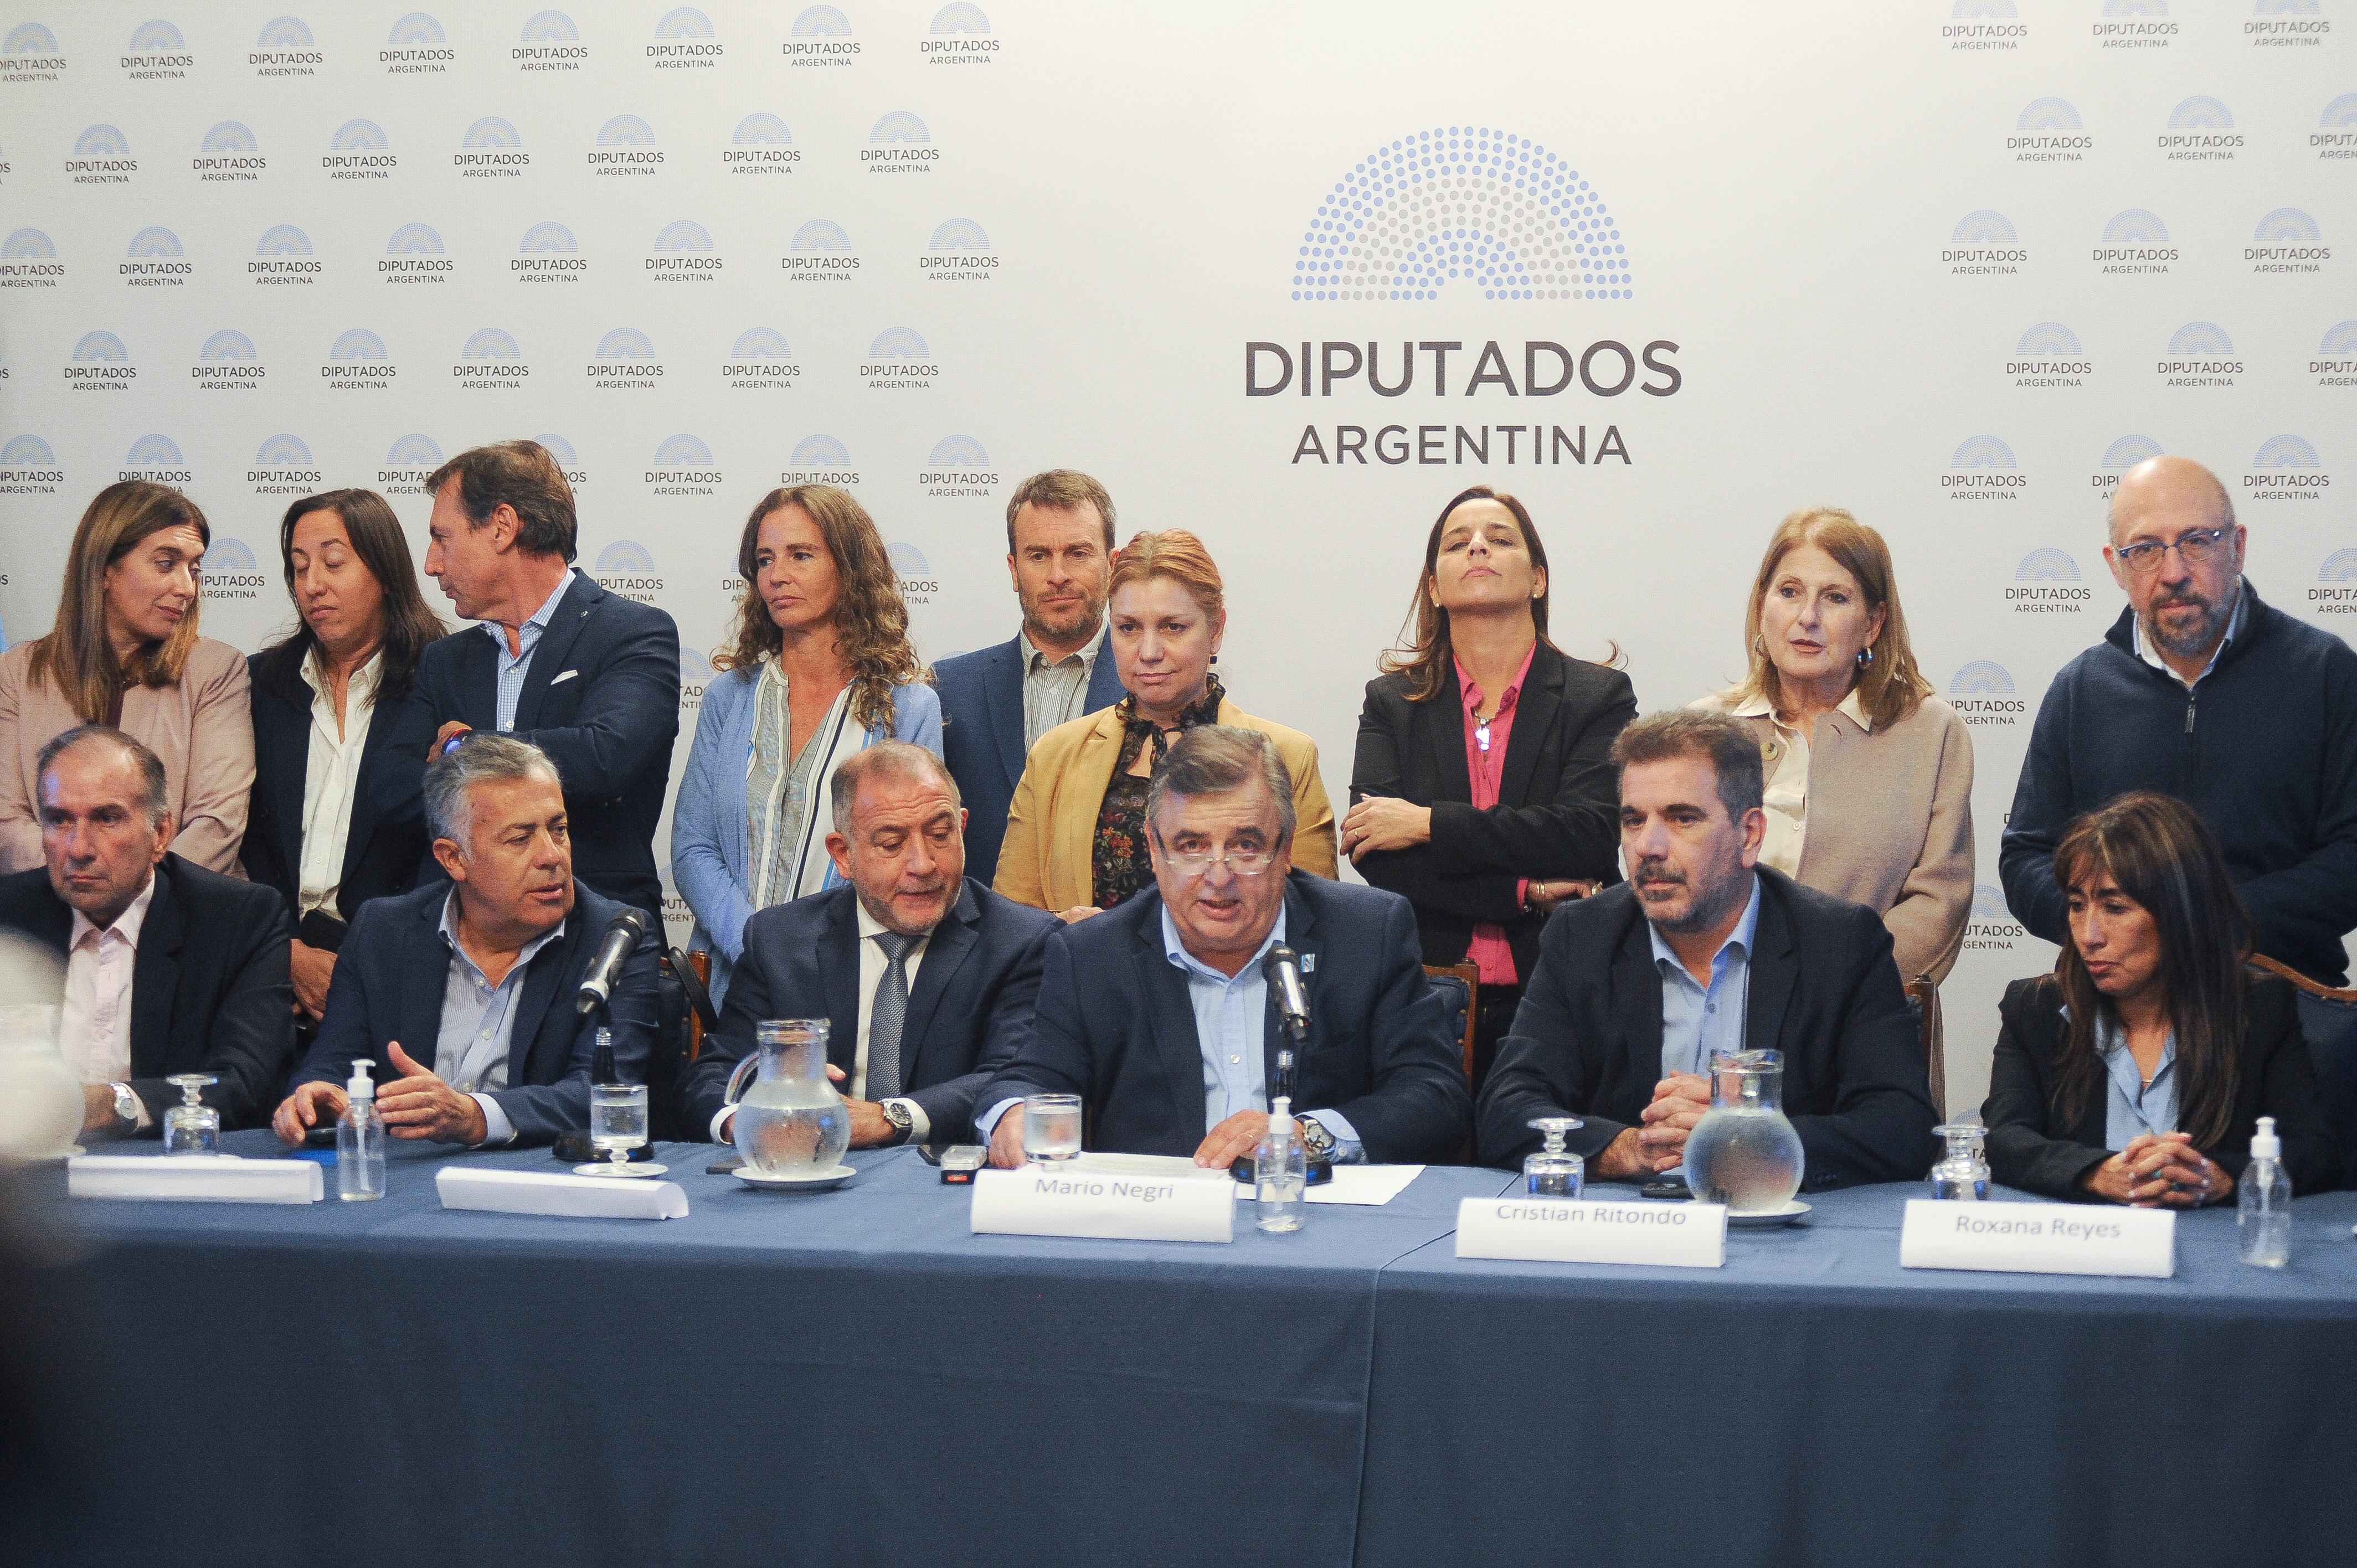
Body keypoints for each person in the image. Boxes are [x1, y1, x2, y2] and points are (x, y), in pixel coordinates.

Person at [1999, 453, 2357, 1177]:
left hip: (2286, 1018)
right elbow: (2025, 857)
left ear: (2238, 547)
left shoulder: (2323, 673)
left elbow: (2353, 854)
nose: (2174, 571)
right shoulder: (2081, 690)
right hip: (2118, 1022)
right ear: (2114, 564)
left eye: (2197, 541)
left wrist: (2202, 921)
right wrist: (2117, 925)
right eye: (2146, 549)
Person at [1477, 710, 1937, 1185]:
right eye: (1634, 821)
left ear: (1750, 835)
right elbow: (1506, 1109)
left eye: (1682, 819)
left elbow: (1902, 1127)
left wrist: (1742, 1138)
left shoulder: (1840, 942)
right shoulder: (1582, 937)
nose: (1649, 847)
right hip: (1627, 1233)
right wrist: (1632, 1149)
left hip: (1780, 1234)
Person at [980, 726, 1468, 1168]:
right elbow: (1030, 1076)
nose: (1218, 876)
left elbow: (1434, 1095)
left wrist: (1304, 1134)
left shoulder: (1366, 933)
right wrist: (1015, 1114)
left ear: (1286, 847)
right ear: (1154, 848)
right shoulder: (1092, 954)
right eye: (1191, 846)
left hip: (1319, 1221)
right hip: (1159, 1238)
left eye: (1246, 846)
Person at [1346, 486, 1636, 1091]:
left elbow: (1584, 835)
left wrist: (1428, 825)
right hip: (1425, 997)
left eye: (1499, 539)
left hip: (1560, 994)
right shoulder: (1390, 702)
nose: (1477, 547)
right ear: (1433, 587)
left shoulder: (1598, 697)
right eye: (1457, 544)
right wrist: (1523, 892)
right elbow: (1377, 855)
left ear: (1536, 579)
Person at [272, 734, 659, 1149]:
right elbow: (334, 1059)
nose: (552, 856)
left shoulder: (615, 938)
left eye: (558, 830)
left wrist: (475, 1117)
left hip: (537, 1187)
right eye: (520, 839)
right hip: (402, 1182)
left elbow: (604, 1092)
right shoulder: (384, 931)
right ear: (454, 858)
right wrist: (318, 1094)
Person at [680, 741, 1057, 1148]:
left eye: (940, 835)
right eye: (892, 845)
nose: (923, 864)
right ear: (843, 855)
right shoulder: (779, 940)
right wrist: (750, 1122)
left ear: (962, 828)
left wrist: (886, 1119)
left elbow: (1013, 1077)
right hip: (807, 1177)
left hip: (938, 1185)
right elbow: (718, 1072)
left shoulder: (1020, 941)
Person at [1984, 792, 2337, 1203]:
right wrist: (2095, 1173)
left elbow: (2316, 1153)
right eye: (2077, 906)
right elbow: (2004, 1140)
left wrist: (2222, 1177)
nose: (2088, 935)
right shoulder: (2035, 1009)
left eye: (2114, 908)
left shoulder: (2259, 1010)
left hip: (2213, 1252)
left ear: (2180, 914)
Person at [671, 485, 940, 1004]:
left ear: (850, 567)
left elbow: (912, 858)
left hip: (851, 985)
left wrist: (811, 955)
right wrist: (757, 945)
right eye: (765, 560)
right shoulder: (730, 697)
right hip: (730, 986)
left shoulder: (908, 707)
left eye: (801, 555)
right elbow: (692, 848)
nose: (777, 575)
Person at [994, 530, 1336, 922]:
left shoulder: (1289, 757)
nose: (1149, 652)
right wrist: (1072, 940)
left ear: (1216, 630)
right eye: (1129, 628)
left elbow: (1314, 923)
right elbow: (1010, 925)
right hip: (1091, 982)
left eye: (1173, 627)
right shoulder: (1055, 755)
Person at [1695, 507, 1973, 984]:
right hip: (1719, 1003)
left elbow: (1939, 903)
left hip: (1862, 1016)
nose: (1807, 618)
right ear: (1763, 607)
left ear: (1873, 624)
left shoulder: (1932, 733)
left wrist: (1833, 985)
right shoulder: (1702, 731)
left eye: (1835, 598)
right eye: (1789, 593)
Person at [414, 440, 679, 924]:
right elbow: (409, 791)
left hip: (595, 936)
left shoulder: (634, 632)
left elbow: (605, 756)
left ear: (502, 527)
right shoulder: (443, 662)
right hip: (463, 945)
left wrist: (465, 747)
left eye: (442, 538)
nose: (431, 563)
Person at [0, 727, 292, 1136]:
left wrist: (108, 1105)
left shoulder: (236, 920)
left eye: (107, 818)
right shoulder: (9, 920)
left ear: (160, 833)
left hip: (166, 1173)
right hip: (29, 1179)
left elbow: (246, 1085)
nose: (79, 848)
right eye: (59, 819)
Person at [243, 490, 445, 1031]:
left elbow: (443, 842)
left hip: (398, 964)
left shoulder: (442, 677)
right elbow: (246, 834)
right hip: (272, 966)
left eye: (333, 563)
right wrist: (282, 949)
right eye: (298, 567)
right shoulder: (261, 683)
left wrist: (365, 959)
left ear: (383, 571)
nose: (312, 585)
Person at [0, 482, 253, 876]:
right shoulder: (17, 672)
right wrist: (83, 891)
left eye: (195, 569)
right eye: (166, 563)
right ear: (104, 571)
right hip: (50, 919)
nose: (187, 587)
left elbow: (216, 825)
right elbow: (8, 824)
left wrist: (126, 898)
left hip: (181, 915)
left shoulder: (217, 669)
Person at [933, 470, 1127, 887]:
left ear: (1112, 564)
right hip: (983, 944)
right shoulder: (948, 690)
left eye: (1078, 553)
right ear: (1014, 569)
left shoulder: (1151, 691)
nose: (1058, 575)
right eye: (1038, 556)